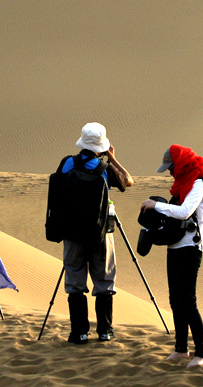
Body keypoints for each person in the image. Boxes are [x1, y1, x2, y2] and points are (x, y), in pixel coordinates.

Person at [141, 144, 203, 368]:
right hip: (174, 245)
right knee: (175, 300)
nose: (170, 173)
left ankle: (201, 353)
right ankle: (181, 349)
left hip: (191, 248)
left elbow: (185, 211)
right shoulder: (182, 184)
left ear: (181, 164)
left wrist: (156, 205)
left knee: (188, 301)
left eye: (171, 168)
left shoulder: (199, 182)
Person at [57, 122, 133, 343]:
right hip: (100, 232)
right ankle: (105, 331)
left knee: (74, 279)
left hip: (72, 232)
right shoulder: (105, 168)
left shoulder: (67, 163)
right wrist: (113, 159)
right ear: (102, 146)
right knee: (104, 279)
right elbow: (128, 181)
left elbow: (58, 189)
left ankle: (79, 332)